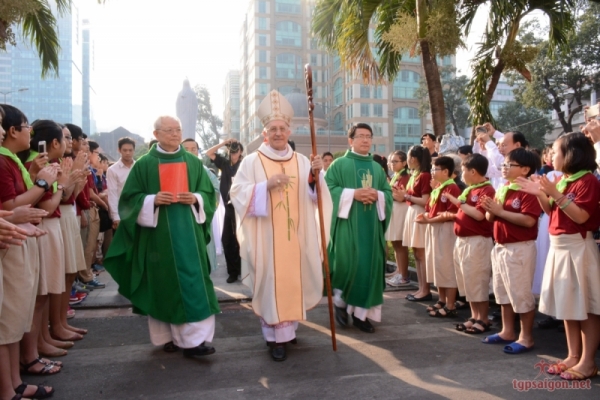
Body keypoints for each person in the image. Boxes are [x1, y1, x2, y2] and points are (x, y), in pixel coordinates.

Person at [104, 115, 220, 358]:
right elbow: (128, 201)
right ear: (156, 135)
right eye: (168, 130)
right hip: (158, 238)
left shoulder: (193, 161)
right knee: (163, 284)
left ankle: (194, 340)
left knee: (192, 283)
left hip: (189, 234)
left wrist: (196, 198)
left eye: (177, 129)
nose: (175, 134)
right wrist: (151, 200)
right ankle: (168, 337)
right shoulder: (144, 164)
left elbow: (208, 194)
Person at [230, 91, 332, 361]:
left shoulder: (301, 161)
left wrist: (314, 176)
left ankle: (287, 331)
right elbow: (236, 193)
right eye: (272, 129)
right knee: (272, 281)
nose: (277, 133)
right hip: (266, 238)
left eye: (282, 128)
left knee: (292, 281)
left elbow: (315, 196)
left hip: (296, 237)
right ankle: (275, 339)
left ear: (289, 131)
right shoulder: (251, 162)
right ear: (265, 134)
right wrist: (264, 187)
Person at [518, 132, 600, 380]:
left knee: (586, 307)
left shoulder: (587, 180)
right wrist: (541, 193)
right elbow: (551, 212)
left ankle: (587, 361)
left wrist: (553, 193)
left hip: (577, 247)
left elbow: (581, 217)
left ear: (572, 154)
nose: (551, 155)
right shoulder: (564, 180)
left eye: (556, 151)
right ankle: (573, 355)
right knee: (567, 304)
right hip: (560, 247)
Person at [326, 123, 392, 334]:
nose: (365, 140)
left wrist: (379, 196)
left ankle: (362, 316)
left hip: (371, 229)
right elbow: (327, 191)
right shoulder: (339, 165)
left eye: (368, 136)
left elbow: (387, 193)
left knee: (368, 269)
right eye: (360, 136)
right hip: (347, 227)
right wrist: (351, 195)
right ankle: (341, 304)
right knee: (347, 266)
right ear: (351, 140)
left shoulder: (376, 168)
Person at [480, 148, 542, 354]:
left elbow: (529, 220)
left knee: (521, 293)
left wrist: (499, 211)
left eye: (509, 165)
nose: (504, 168)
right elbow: (492, 218)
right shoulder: (504, 188)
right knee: (502, 292)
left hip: (519, 247)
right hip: (500, 246)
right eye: (504, 164)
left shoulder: (528, 190)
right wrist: (491, 210)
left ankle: (526, 337)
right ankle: (507, 331)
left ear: (525, 169)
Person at [444, 154, 495, 335]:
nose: (462, 174)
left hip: (477, 241)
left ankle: (483, 318)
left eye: (464, 171)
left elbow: (479, 215)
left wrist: (457, 203)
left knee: (478, 280)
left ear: (473, 171)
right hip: (463, 241)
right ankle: (474, 316)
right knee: (467, 280)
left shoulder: (486, 190)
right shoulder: (470, 190)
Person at [416, 156, 461, 318]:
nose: (432, 172)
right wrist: (425, 217)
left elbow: (451, 214)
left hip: (446, 230)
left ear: (446, 171)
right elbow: (430, 209)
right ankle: (442, 300)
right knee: (437, 265)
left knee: (446, 265)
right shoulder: (438, 188)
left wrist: (429, 219)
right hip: (434, 228)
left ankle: (450, 304)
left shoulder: (452, 189)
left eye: (435, 169)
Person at [206, 137, 243, 283]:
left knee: (241, 240)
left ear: (241, 152)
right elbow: (209, 153)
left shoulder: (245, 164)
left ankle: (242, 269)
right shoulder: (224, 163)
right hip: (227, 207)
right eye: (231, 151)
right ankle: (232, 272)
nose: (234, 153)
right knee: (227, 240)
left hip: (242, 206)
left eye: (236, 150)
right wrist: (224, 143)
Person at [181, 138, 221, 272]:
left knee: (201, 257)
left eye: (194, 149)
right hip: (180, 218)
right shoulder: (174, 168)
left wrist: (198, 198)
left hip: (200, 217)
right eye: (186, 149)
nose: (190, 152)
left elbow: (215, 191)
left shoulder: (205, 171)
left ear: (198, 151)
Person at [398, 145, 432, 301]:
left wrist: (407, 196)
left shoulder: (424, 175)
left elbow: (425, 200)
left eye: (411, 157)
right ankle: (421, 288)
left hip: (419, 212)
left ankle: (425, 289)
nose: (409, 160)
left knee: (421, 253)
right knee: (417, 253)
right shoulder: (415, 175)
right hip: (412, 211)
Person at [385, 151, 411, 287]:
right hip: (394, 210)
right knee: (395, 244)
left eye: (395, 161)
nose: (391, 164)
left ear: (404, 163)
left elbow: (401, 197)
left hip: (401, 210)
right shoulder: (395, 176)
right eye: (390, 161)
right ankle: (399, 272)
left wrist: (386, 192)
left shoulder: (405, 177)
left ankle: (403, 276)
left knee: (400, 244)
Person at [107, 137, 135, 231]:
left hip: (138, 210)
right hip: (121, 212)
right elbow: (112, 194)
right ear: (119, 150)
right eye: (125, 150)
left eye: (130, 150)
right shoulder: (112, 170)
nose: (128, 153)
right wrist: (115, 217)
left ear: (134, 150)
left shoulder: (139, 167)